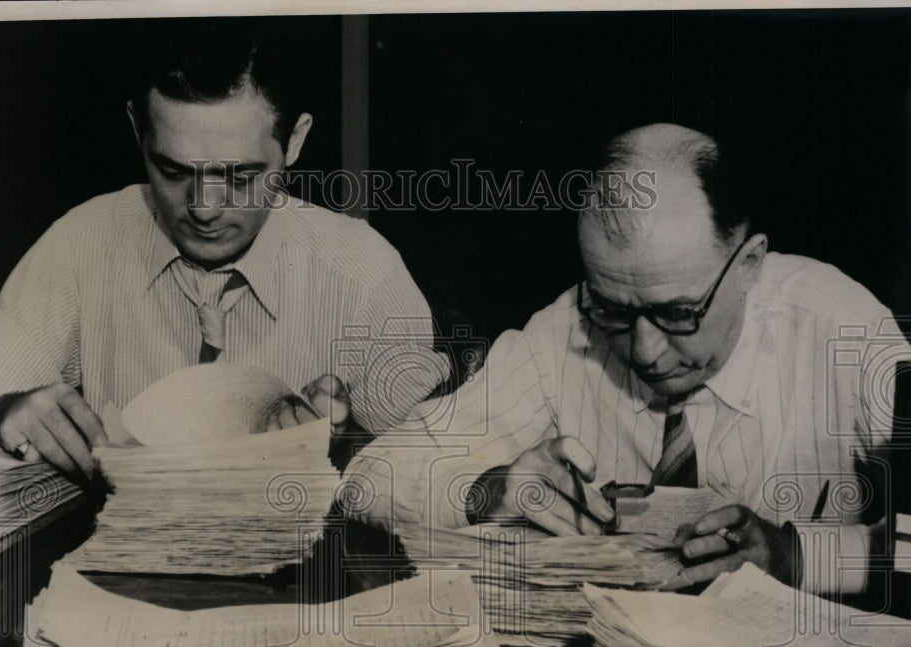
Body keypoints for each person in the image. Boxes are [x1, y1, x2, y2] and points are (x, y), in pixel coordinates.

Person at [343, 122, 908, 595]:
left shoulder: (837, 323)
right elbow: (370, 478)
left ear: (749, 264)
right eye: (614, 309)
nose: (645, 351)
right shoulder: (566, 327)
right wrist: (485, 489)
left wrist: (799, 558)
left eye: (679, 312)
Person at [0, 21, 448, 482]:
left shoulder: (360, 270)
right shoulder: (84, 241)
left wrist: (349, 447)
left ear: (294, 143)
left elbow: (445, 454)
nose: (204, 210)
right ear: (136, 131)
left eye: (240, 176)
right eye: (174, 171)